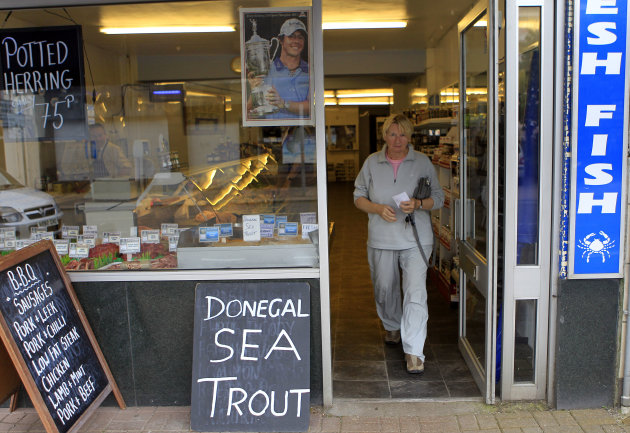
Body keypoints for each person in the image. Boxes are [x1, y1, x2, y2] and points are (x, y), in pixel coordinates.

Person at [353, 113, 444, 374]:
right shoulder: (372, 162)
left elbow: (437, 197)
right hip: (381, 237)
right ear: (384, 135)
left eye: (402, 134)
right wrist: (377, 208)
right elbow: (358, 195)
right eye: (392, 134)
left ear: (410, 136)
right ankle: (392, 325)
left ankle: (414, 351)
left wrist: (417, 204)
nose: (397, 139)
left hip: (416, 238)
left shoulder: (423, 162)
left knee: (415, 292)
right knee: (385, 287)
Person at [248, 17, 310, 119]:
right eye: (291, 36)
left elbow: (313, 107)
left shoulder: (310, 72)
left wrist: (283, 103)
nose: (296, 41)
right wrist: (253, 92)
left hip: (303, 132)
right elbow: (248, 113)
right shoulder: (265, 71)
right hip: (272, 132)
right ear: (281, 40)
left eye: (300, 37)